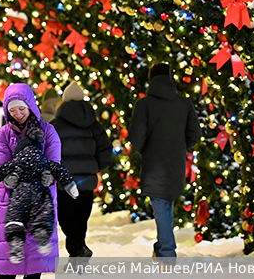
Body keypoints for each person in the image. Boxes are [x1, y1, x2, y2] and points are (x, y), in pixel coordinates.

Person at [128, 63, 201, 260]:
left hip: (154, 164)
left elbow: (136, 138)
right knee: (165, 206)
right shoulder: (184, 104)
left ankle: (167, 253)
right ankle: (161, 247)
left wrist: (147, 149)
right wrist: (179, 147)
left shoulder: (143, 105)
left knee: (161, 206)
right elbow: (195, 134)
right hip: (176, 163)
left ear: (151, 79)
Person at [0, 83, 62, 279]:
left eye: (21, 108)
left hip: (41, 202)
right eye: (12, 110)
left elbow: (53, 162)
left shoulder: (48, 131)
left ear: (30, 105)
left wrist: (49, 176)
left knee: (35, 265)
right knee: (9, 265)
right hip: (12, 202)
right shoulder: (4, 134)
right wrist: (8, 179)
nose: (17, 114)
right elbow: (1, 164)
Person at [0, 127, 78, 265]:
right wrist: (70, 185)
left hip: (20, 193)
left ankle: (16, 242)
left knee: (15, 216)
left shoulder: (15, 161)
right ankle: (42, 236)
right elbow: (59, 170)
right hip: (39, 192)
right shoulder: (44, 161)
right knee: (43, 214)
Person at [49, 81, 113, 258]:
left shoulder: (56, 125)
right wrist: (93, 168)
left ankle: (78, 249)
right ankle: (78, 253)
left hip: (64, 182)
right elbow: (105, 150)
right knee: (81, 219)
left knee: (66, 218)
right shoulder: (94, 124)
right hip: (87, 181)